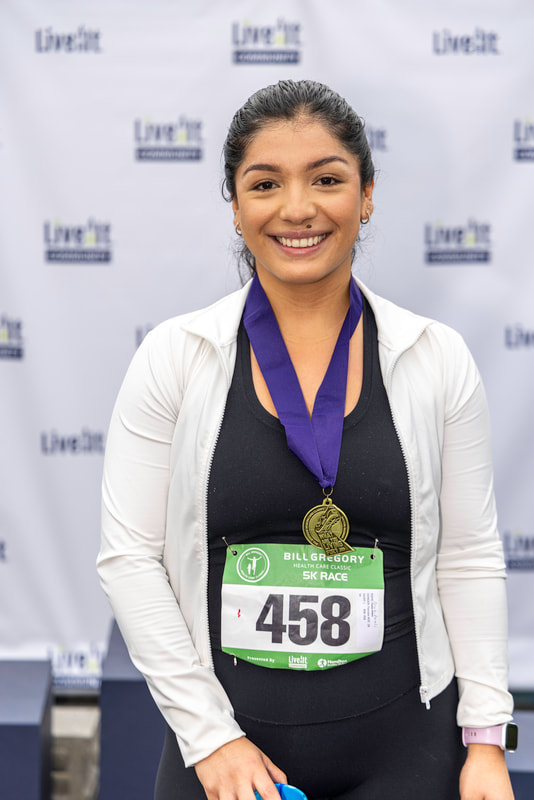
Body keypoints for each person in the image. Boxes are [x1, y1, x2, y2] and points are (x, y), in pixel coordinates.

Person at [97, 80, 516, 800]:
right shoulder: (175, 357)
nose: (297, 208)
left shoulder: (435, 357)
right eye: (266, 184)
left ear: (367, 195)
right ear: (236, 205)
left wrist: (486, 741)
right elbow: (129, 559)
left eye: (326, 179)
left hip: (405, 753)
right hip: (226, 761)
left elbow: (469, 557)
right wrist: (211, 739)